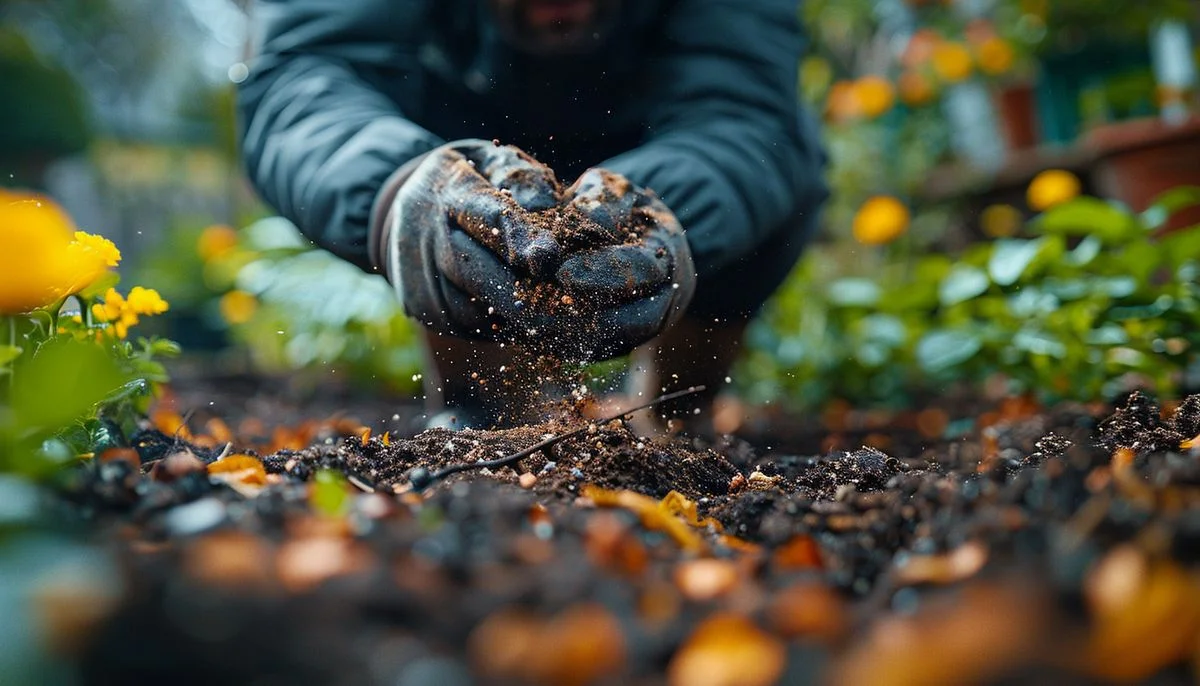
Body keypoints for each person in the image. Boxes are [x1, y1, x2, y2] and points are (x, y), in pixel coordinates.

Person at [238, 0, 828, 433]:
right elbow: (309, 77)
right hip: (461, 128)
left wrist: (675, 209)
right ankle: (485, 409)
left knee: (782, 159)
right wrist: (395, 193)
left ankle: (677, 415)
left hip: (662, 135)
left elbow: (745, 111)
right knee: (488, 428)